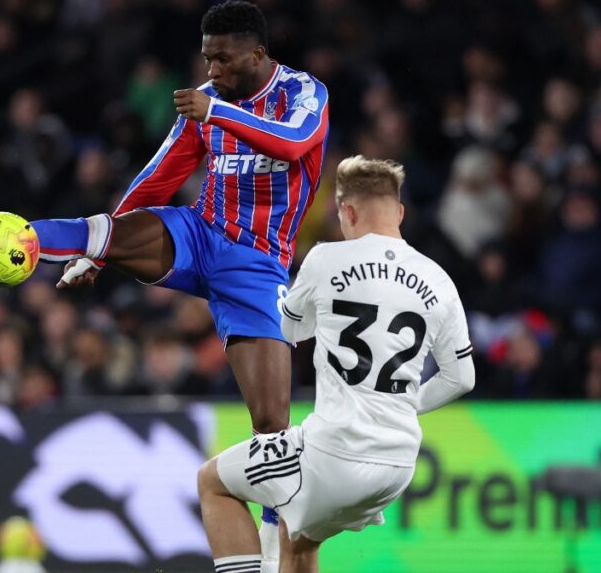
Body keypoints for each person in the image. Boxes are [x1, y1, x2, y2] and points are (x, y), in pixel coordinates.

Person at [0, 1, 328, 564]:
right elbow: (161, 174)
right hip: (200, 231)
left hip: (257, 263)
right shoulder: (207, 101)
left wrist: (215, 114)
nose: (211, 69)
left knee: (271, 428)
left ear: (258, 54)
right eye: (206, 57)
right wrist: (101, 253)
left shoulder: (303, 94)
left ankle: (272, 553)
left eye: (222, 58)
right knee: (101, 230)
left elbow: (292, 142)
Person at [197, 156, 475, 573]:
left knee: (212, 482)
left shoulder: (326, 259)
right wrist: (398, 405)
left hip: (336, 453)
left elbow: (289, 332)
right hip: (398, 464)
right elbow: (461, 378)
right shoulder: (438, 278)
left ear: (346, 211)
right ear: (399, 212)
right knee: (301, 541)